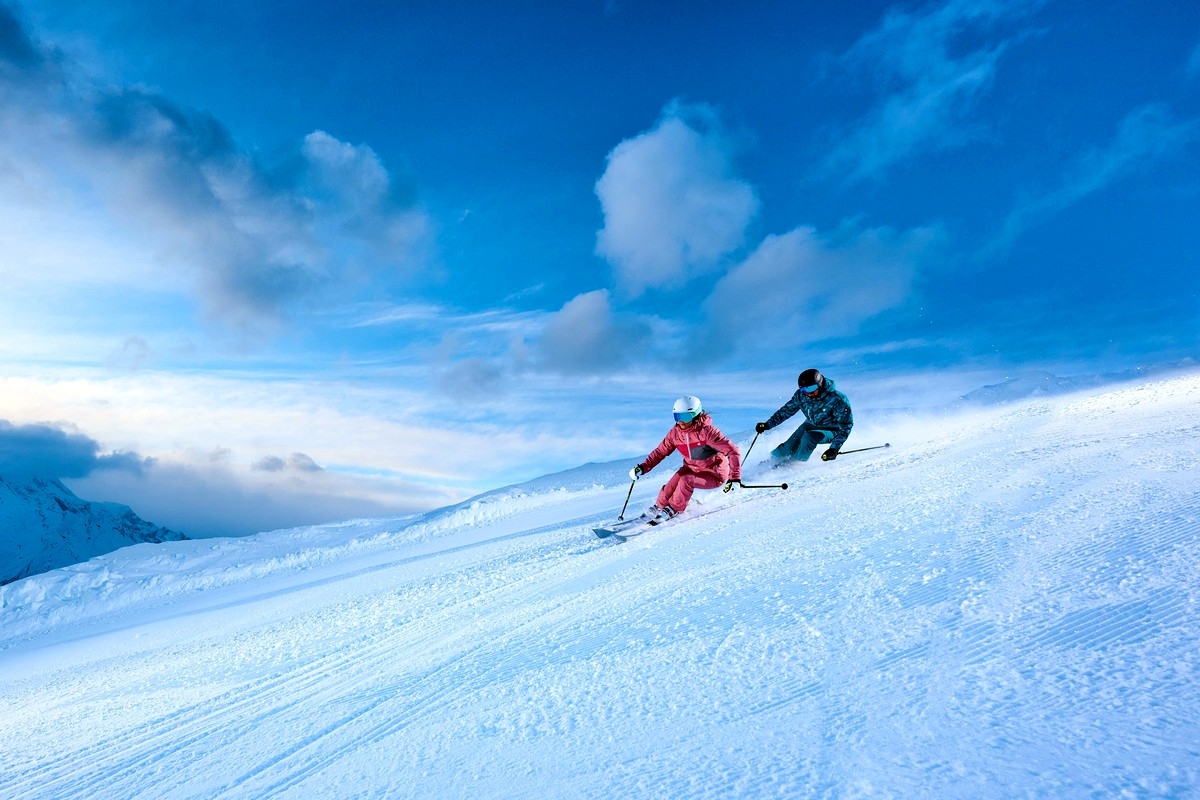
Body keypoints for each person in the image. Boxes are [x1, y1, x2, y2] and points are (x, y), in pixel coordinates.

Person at [629, 395, 742, 520]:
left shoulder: (707, 432)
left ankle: (674, 508)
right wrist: (643, 467)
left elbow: (733, 451)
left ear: (696, 415)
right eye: (677, 417)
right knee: (673, 483)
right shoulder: (675, 433)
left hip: (714, 474)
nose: (681, 421)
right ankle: (659, 506)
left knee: (686, 480)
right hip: (691, 469)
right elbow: (660, 452)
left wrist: (734, 478)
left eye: (686, 417)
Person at [755, 368, 853, 463]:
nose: (808, 393)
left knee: (809, 437)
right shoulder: (801, 395)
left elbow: (846, 425)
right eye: (804, 389)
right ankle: (771, 461)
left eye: (811, 388)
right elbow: (787, 410)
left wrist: (834, 448)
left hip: (832, 430)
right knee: (788, 446)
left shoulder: (837, 399)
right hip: (811, 424)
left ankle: (796, 463)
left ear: (820, 384)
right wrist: (768, 424)